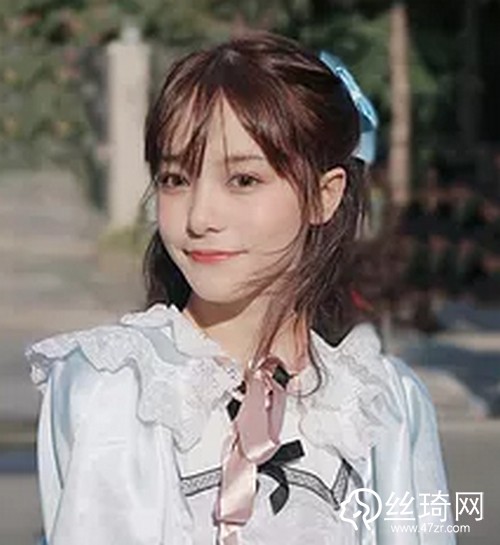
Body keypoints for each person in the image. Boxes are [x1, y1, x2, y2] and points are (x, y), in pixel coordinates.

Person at [26, 31, 456, 545]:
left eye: (243, 180)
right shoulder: (117, 387)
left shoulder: (383, 405)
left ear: (325, 195)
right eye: (175, 179)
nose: (199, 217)